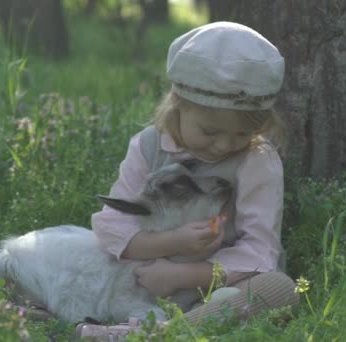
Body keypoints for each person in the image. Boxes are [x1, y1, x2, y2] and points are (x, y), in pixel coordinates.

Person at [77, 21, 299, 340]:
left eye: (242, 133)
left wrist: (182, 275)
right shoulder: (149, 146)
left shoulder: (256, 160)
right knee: (77, 252)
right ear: (177, 104)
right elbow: (113, 227)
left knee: (279, 289)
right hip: (143, 277)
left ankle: (156, 334)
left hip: (215, 285)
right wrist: (173, 244)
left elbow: (260, 250)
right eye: (211, 131)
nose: (224, 145)